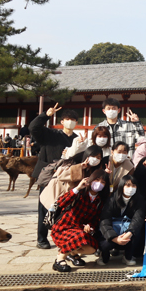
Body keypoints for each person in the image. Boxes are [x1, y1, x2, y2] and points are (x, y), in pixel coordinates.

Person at [31, 103, 80, 249]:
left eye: (73, 119)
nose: (70, 121)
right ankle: (41, 238)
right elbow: (33, 128)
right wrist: (45, 115)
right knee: (45, 206)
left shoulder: (78, 139)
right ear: (62, 122)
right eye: (67, 119)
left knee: (67, 209)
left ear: (76, 123)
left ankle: (63, 237)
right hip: (49, 177)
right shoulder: (50, 134)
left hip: (67, 178)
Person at [50, 169, 107, 272]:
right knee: (80, 236)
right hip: (63, 228)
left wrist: (89, 226)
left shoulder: (99, 201)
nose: (99, 184)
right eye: (97, 180)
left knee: (92, 248)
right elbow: (61, 202)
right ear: (91, 180)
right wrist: (77, 188)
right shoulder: (79, 193)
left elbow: (94, 220)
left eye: (103, 182)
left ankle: (73, 253)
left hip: (79, 230)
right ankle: (60, 259)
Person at [97, 175, 145, 266]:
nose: (131, 188)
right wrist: (114, 238)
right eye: (128, 185)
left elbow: (138, 219)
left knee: (136, 233)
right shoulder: (112, 199)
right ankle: (104, 255)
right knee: (105, 243)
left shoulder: (139, 199)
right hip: (112, 230)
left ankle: (127, 257)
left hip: (127, 230)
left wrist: (129, 233)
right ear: (121, 186)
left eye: (133, 185)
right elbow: (104, 220)